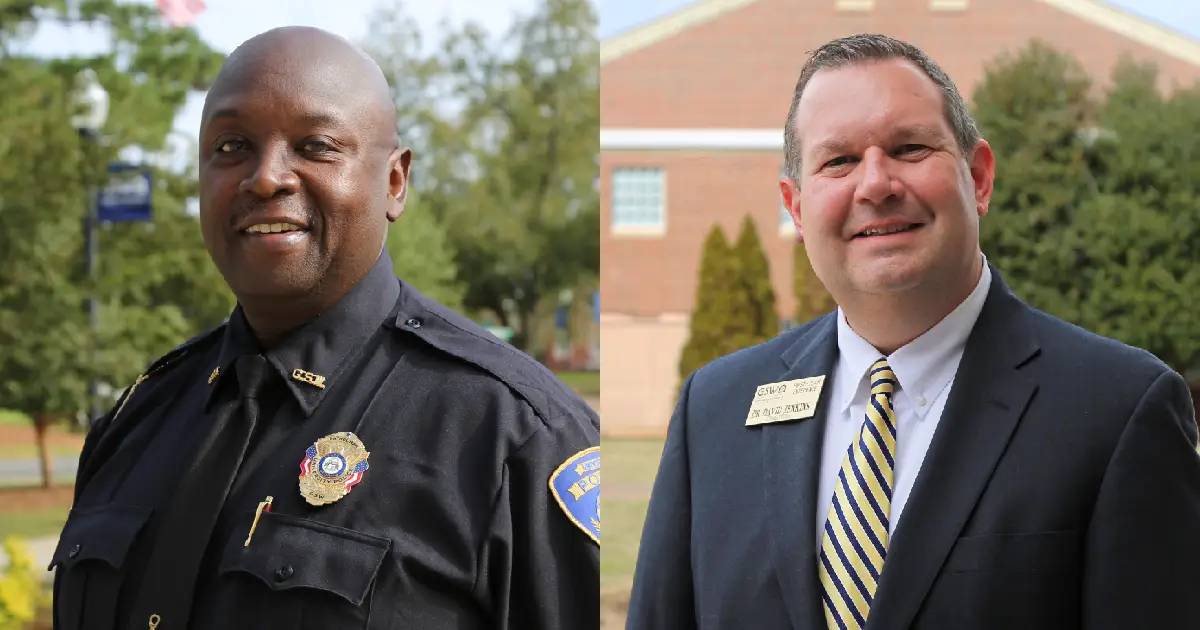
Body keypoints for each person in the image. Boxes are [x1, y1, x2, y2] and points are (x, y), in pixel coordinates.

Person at [626, 33, 1200, 630]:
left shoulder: (1118, 410)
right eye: (839, 161)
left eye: (909, 148)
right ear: (796, 208)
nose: (875, 184)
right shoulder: (713, 411)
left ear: (977, 178)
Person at [50, 26, 600, 630]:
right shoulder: (139, 419)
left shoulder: (512, 435)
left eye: (314, 146)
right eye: (231, 146)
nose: (265, 177)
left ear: (394, 182)